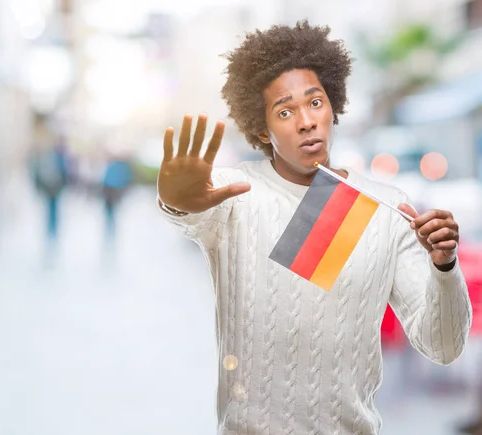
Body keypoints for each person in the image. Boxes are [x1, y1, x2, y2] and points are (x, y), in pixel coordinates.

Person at [156, 21, 472, 435]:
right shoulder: (236, 193)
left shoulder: (386, 207)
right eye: (285, 111)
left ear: (334, 106)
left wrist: (444, 267)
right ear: (259, 129)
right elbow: (193, 213)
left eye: (316, 102)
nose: (307, 121)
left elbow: (444, 346)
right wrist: (176, 202)